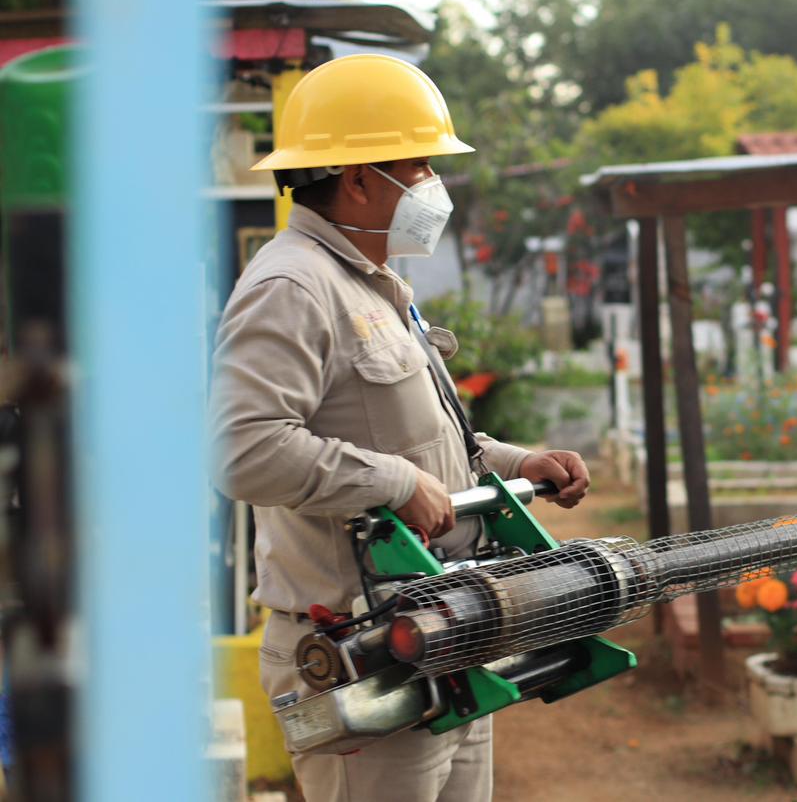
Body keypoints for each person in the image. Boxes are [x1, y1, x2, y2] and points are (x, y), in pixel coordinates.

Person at [208, 53, 590, 802]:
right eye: (419, 167)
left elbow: (428, 449)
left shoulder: (378, 287)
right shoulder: (293, 285)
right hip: (358, 653)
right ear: (357, 178)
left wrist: (521, 462)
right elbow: (243, 449)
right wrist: (391, 482)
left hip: (445, 628)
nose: (432, 188)